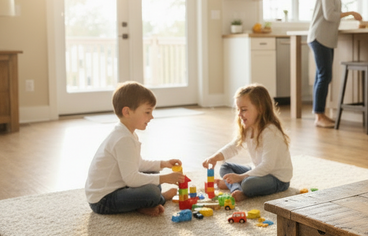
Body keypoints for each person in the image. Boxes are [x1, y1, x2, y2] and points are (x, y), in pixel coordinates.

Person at [85, 81, 186, 216]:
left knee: (152, 176)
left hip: (118, 188)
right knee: (152, 193)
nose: (151, 117)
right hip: (103, 200)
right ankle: (159, 199)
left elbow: (138, 164)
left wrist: (163, 164)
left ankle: (143, 205)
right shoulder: (123, 139)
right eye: (147, 112)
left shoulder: (127, 133)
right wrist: (165, 178)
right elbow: (132, 179)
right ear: (127, 112)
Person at [202, 84, 292, 203]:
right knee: (225, 167)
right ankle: (236, 189)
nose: (239, 114)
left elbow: (267, 166)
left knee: (248, 183)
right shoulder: (249, 128)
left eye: (243, 110)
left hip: (277, 178)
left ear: (260, 109)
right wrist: (215, 157)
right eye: (238, 110)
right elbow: (234, 146)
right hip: (258, 171)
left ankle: (242, 190)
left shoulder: (270, 132)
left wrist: (240, 177)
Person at [308, 0, 363, 128]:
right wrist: (351, 13)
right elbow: (329, 15)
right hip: (320, 37)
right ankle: (319, 116)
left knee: (323, 76)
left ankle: (320, 114)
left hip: (326, 38)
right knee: (324, 76)